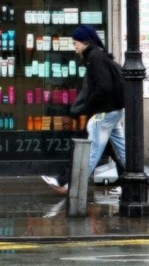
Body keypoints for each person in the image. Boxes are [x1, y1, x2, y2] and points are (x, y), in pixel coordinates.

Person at [41, 25, 126, 194]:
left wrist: (88, 107)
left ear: (85, 41)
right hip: (114, 111)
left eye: (76, 43)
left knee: (91, 150)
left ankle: (70, 184)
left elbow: (104, 87)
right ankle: (137, 178)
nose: (75, 48)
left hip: (103, 112)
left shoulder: (95, 57)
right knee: (123, 149)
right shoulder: (98, 55)